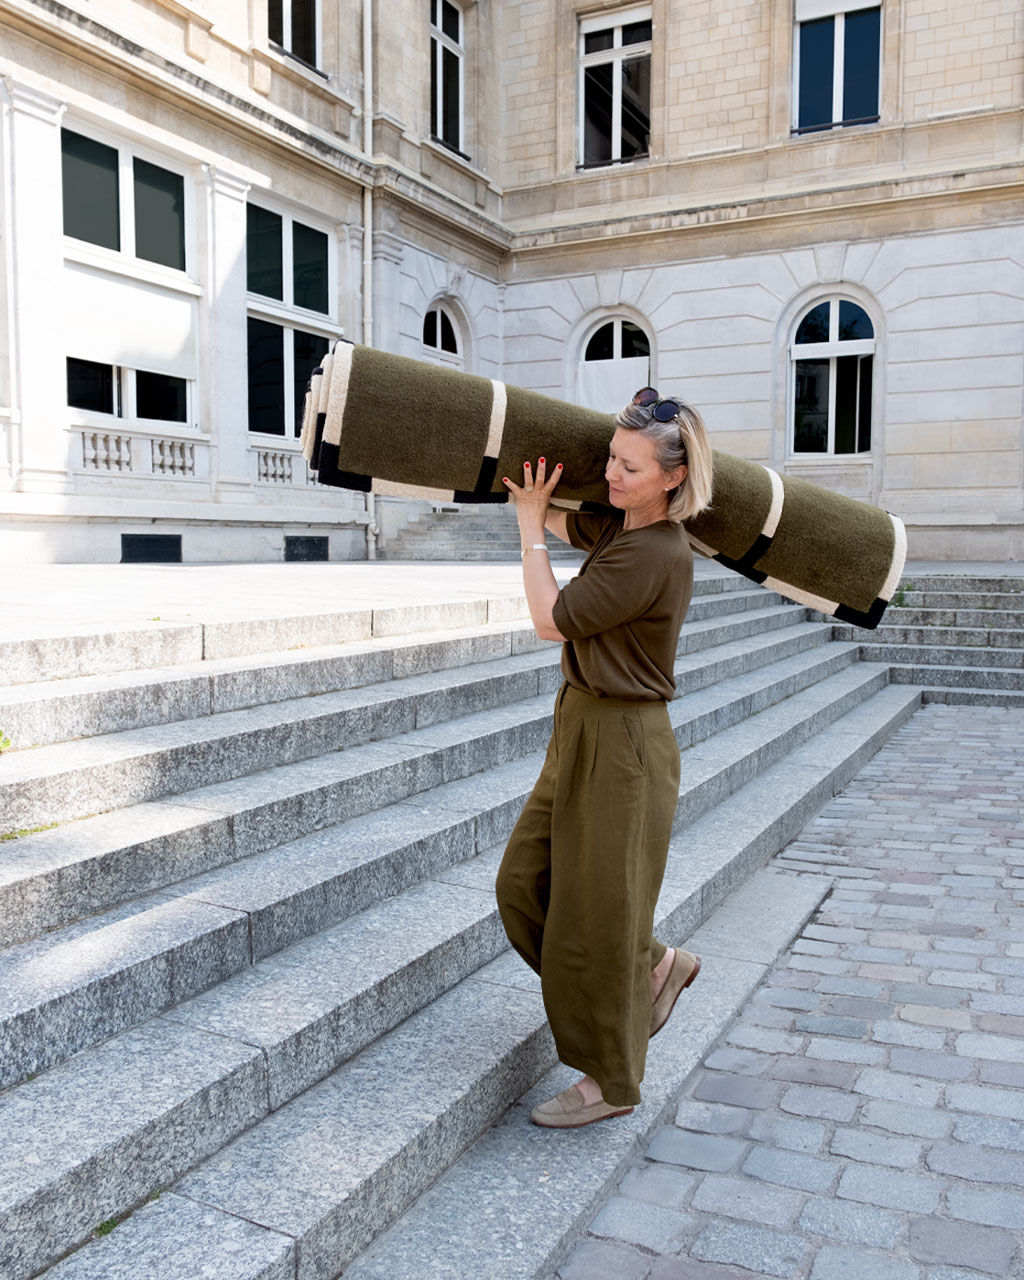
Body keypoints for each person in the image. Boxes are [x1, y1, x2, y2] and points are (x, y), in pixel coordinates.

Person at [496, 387, 714, 1129]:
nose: (611, 476)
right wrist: (537, 501)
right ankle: (653, 963)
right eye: (611, 460)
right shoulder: (623, 531)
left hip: (624, 746)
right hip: (582, 728)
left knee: (599, 916)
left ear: (673, 477)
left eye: (629, 467)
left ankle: (611, 1080)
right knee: (524, 887)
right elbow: (570, 518)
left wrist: (529, 530)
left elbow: (549, 620)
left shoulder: (655, 552)